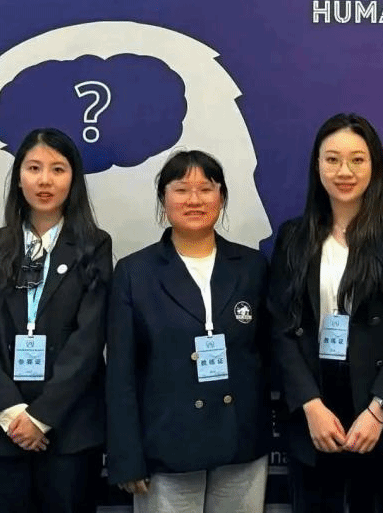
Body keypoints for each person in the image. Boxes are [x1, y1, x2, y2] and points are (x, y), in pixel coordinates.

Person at [268, 112, 383, 513]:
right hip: (314, 404)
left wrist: (379, 410)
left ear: (375, 165)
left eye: (357, 159)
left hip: (379, 407)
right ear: (317, 165)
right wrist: (310, 405)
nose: (345, 171)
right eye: (332, 159)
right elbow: (280, 327)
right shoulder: (294, 236)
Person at [107, 150, 271, 512]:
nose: (194, 200)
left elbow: (270, 354)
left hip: (241, 439)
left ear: (221, 197)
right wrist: (127, 456)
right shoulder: (135, 273)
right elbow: (120, 374)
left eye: (206, 189)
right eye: (181, 189)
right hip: (166, 443)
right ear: (163, 199)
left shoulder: (252, 267)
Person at [0, 128, 113, 512]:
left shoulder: (94, 245)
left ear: (73, 179)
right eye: (34, 168)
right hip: (4, 427)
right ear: (19, 177)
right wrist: (13, 413)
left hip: (70, 427)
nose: (45, 180)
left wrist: (42, 417)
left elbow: (89, 339)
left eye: (57, 169)